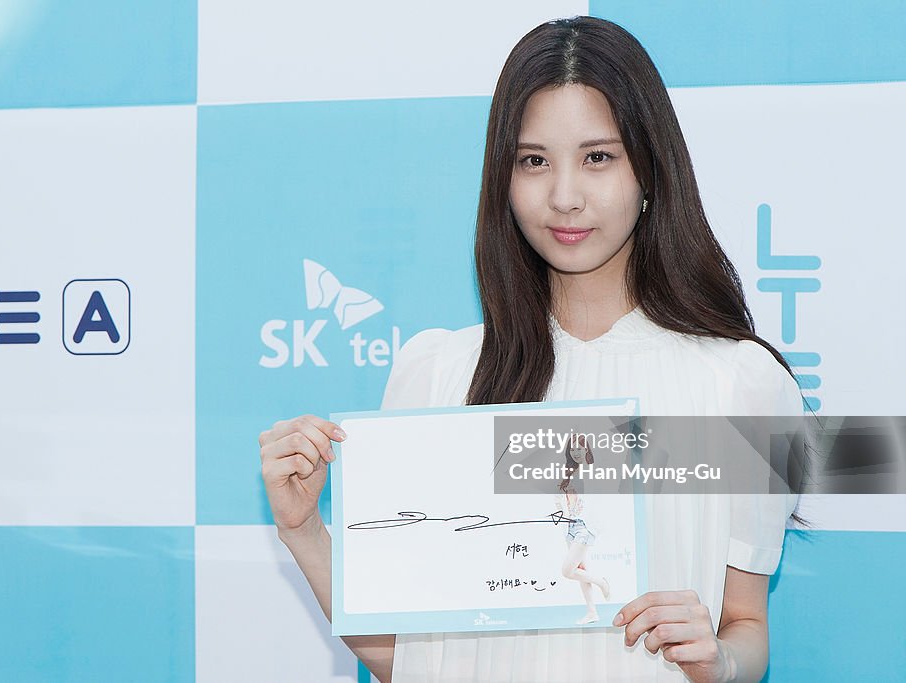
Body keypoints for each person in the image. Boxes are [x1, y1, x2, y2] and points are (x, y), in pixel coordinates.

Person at [258, 15, 802, 683]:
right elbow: (413, 660)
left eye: (598, 157)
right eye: (534, 160)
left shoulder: (738, 386)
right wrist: (306, 530)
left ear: (649, 170)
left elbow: (746, 629)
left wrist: (717, 657)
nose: (565, 196)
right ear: (503, 178)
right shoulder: (436, 376)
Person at [554, 437, 611, 625]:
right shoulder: (567, 472)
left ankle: (600, 581)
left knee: (567, 570)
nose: (576, 452)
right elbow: (561, 499)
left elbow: (599, 500)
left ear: (587, 449)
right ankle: (592, 612)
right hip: (569, 526)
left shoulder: (591, 470)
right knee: (580, 570)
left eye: (580, 448)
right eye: (572, 449)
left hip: (584, 527)